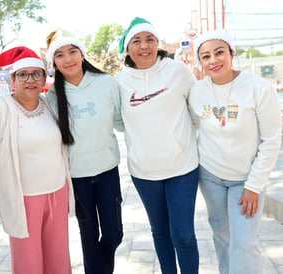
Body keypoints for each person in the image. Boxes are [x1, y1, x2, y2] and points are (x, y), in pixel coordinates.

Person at [0, 46, 75, 274]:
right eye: (23, 74)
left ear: (44, 77)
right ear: (12, 78)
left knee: (58, 257)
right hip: (23, 198)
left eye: (36, 73)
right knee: (29, 263)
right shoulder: (2, 108)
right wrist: (6, 173)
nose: (30, 80)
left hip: (57, 191)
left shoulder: (47, 104)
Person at [188, 29, 282, 274]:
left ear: (231, 53)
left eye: (219, 52)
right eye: (206, 56)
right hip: (210, 177)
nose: (213, 60)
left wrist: (254, 185)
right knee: (221, 235)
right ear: (200, 62)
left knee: (244, 241)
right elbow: (190, 126)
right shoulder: (197, 91)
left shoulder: (258, 88)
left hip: (245, 179)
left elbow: (271, 139)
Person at [114, 17, 199, 274]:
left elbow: (195, 112)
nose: (144, 46)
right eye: (136, 41)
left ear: (158, 43)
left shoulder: (177, 70)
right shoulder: (119, 81)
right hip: (144, 172)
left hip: (182, 168)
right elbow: (119, 121)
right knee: (160, 231)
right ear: (127, 49)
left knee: (182, 234)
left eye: (149, 39)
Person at [45, 29, 124, 274]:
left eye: (72, 51)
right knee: (89, 237)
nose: (68, 59)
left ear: (82, 54)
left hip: (107, 171)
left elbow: (122, 121)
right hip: (77, 178)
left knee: (113, 234)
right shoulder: (52, 96)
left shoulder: (107, 83)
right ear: (54, 63)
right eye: (59, 55)